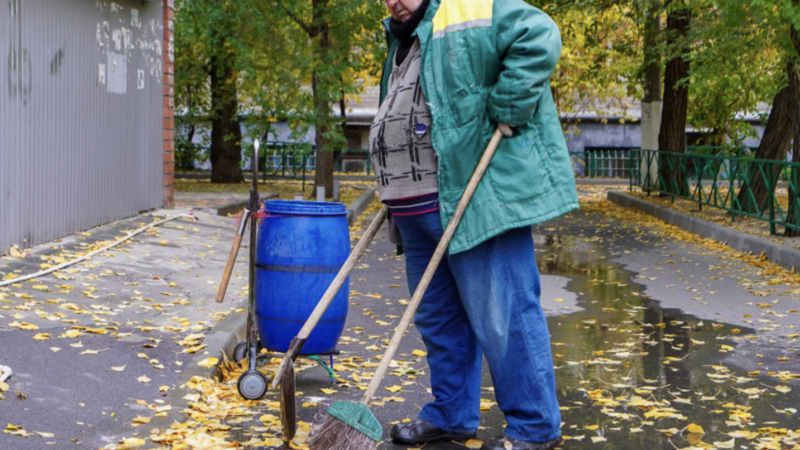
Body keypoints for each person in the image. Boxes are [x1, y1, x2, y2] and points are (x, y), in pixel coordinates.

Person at [369, 0, 578, 449]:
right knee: (440, 322)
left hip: (472, 201)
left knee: (505, 316)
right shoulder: (402, 37)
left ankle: (536, 428)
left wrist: (509, 103)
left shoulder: (470, 7)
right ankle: (452, 412)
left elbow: (539, 34)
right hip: (415, 209)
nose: (392, 1)